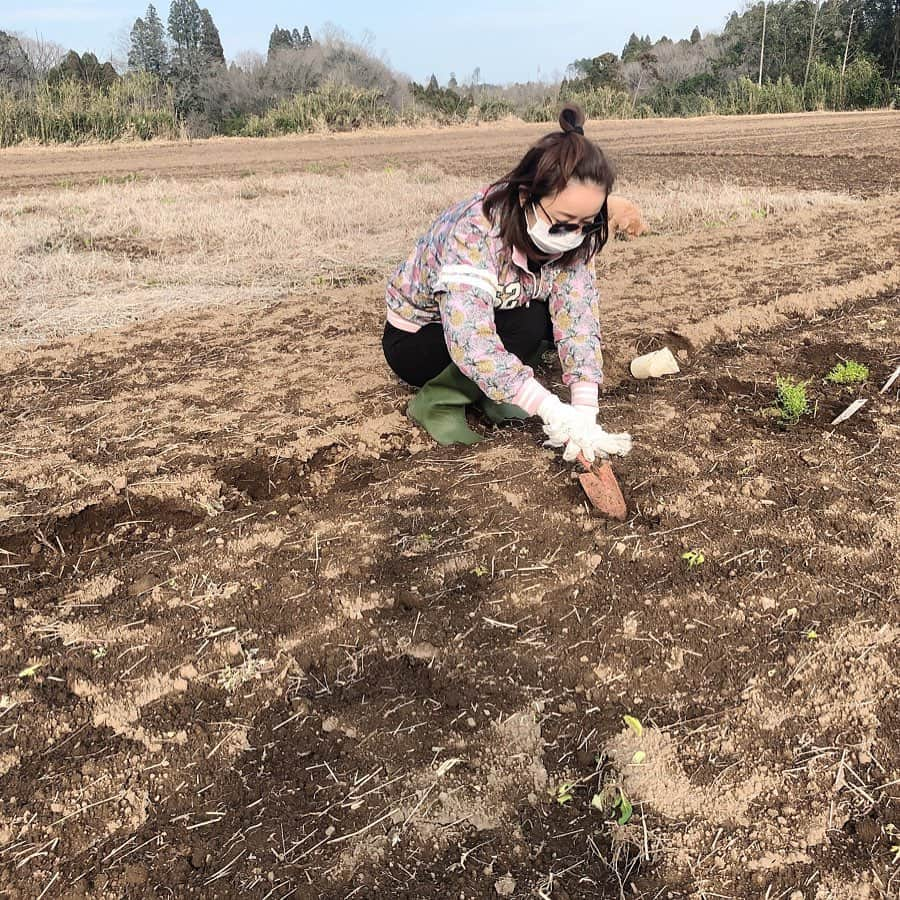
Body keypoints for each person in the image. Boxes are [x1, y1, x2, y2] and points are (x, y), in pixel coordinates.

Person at [381, 103, 632, 464]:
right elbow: (470, 339)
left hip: (499, 311)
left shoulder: (576, 239)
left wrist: (585, 411)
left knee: (539, 320)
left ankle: (498, 396)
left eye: (586, 223)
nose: (574, 235)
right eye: (563, 222)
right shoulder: (477, 229)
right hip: (422, 338)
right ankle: (436, 402)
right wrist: (547, 406)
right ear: (526, 196)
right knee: (518, 325)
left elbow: (579, 317)